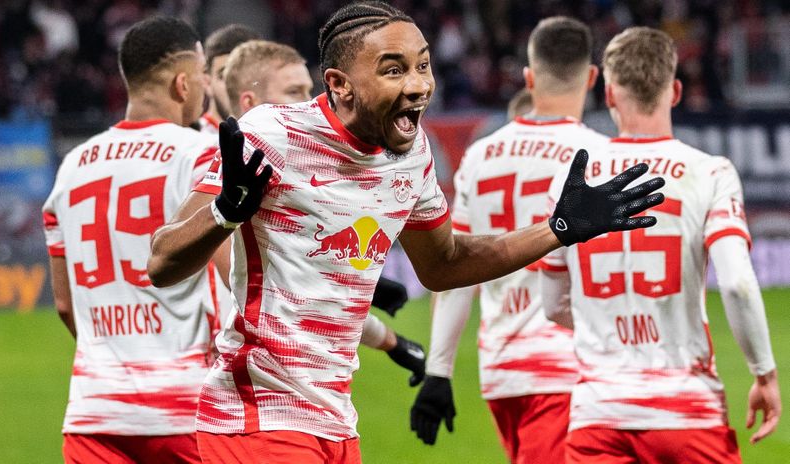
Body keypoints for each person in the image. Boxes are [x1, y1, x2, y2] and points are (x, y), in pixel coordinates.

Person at [147, 2, 664, 463]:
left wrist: (557, 229)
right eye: (393, 70)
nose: (418, 84)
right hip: (257, 419)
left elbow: (446, 264)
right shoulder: (269, 136)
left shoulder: (410, 155)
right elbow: (162, 263)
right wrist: (224, 211)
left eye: (422, 65)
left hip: (333, 422)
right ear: (340, 84)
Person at [540, 26, 781, 463]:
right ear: (674, 91)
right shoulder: (709, 171)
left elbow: (553, 303)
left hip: (598, 413)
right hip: (687, 412)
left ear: (610, 94)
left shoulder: (569, 181)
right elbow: (739, 285)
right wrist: (764, 373)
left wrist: (607, 328)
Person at [411, 17, 607, 461]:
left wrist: (439, 371)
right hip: (567, 366)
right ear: (592, 78)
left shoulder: (481, 154)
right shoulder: (597, 153)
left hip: (502, 371)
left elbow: (455, 267)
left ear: (529, 78)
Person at [42, 16, 220, 463]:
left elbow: (65, 304)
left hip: (94, 412)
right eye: (202, 75)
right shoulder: (198, 155)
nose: (205, 87)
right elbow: (226, 276)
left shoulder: (72, 167)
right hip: (186, 411)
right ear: (183, 83)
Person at [221, 38, 428, 384]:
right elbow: (296, 296)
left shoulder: (282, 181)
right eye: (293, 92)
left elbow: (307, 292)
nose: (308, 104)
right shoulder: (226, 170)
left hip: (266, 375)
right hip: (231, 377)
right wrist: (390, 341)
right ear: (251, 103)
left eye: (308, 91)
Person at [197, 24, 260, 134]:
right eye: (226, 76)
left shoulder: (277, 140)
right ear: (207, 82)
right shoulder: (191, 145)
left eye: (249, 76)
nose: (237, 86)